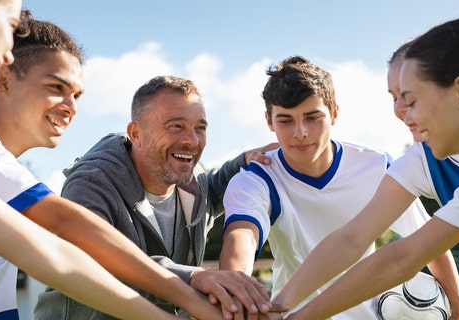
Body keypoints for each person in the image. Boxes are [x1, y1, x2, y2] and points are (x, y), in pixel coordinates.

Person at [0, 0, 199, 319]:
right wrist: (190, 286)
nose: (72, 107)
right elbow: (63, 223)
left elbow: (55, 258)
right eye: (56, 87)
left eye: (77, 96)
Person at [282, 18, 459, 320]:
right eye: (395, 98)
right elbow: (402, 256)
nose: (402, 112)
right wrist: (289, 314)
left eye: (410, 99)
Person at [217, 55, 459, 319]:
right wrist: (235, 290)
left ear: (334, 113)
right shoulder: (256, 178)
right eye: (285, 121)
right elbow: (241, 237)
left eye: (312, 117)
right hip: (292, 313)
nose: (300, 132)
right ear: (269, 121)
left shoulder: (375, 166)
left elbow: (427, 242)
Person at [33, 75, 282, 320]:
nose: (192, 140)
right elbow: (98, 261)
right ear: (136, 134)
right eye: (176, 126)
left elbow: (215, 187)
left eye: (200, 128)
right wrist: (195, 276)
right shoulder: (90, 182)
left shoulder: (193, 182)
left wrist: (247, 159)